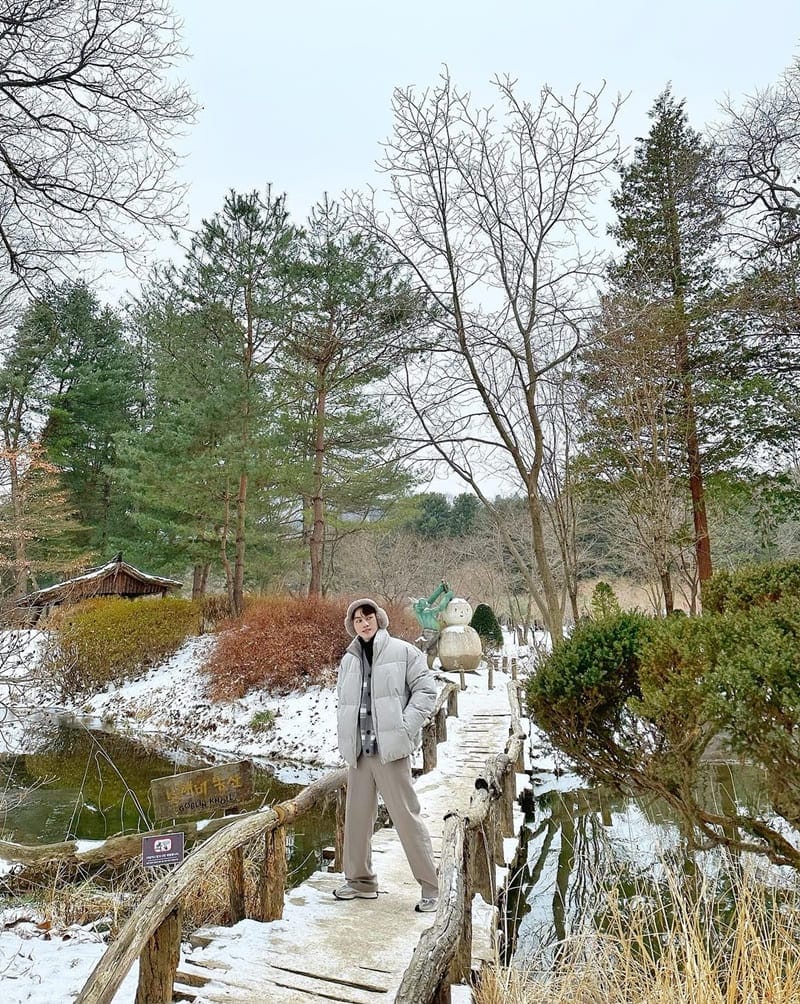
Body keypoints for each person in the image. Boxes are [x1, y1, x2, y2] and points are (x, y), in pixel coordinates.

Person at [334, 598, 440, 913]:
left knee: (406, 818)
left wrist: (406, 727)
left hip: (391, 751)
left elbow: (426, 691)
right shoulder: (349, 660)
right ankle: (360, 882)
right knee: (356, 821)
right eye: (357, 620)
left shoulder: (404, 652)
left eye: (368, 617)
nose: (364, 623)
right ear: (352, 625)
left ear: (379, 619)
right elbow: (343, 701)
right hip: (360, 752)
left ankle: (431, 887)